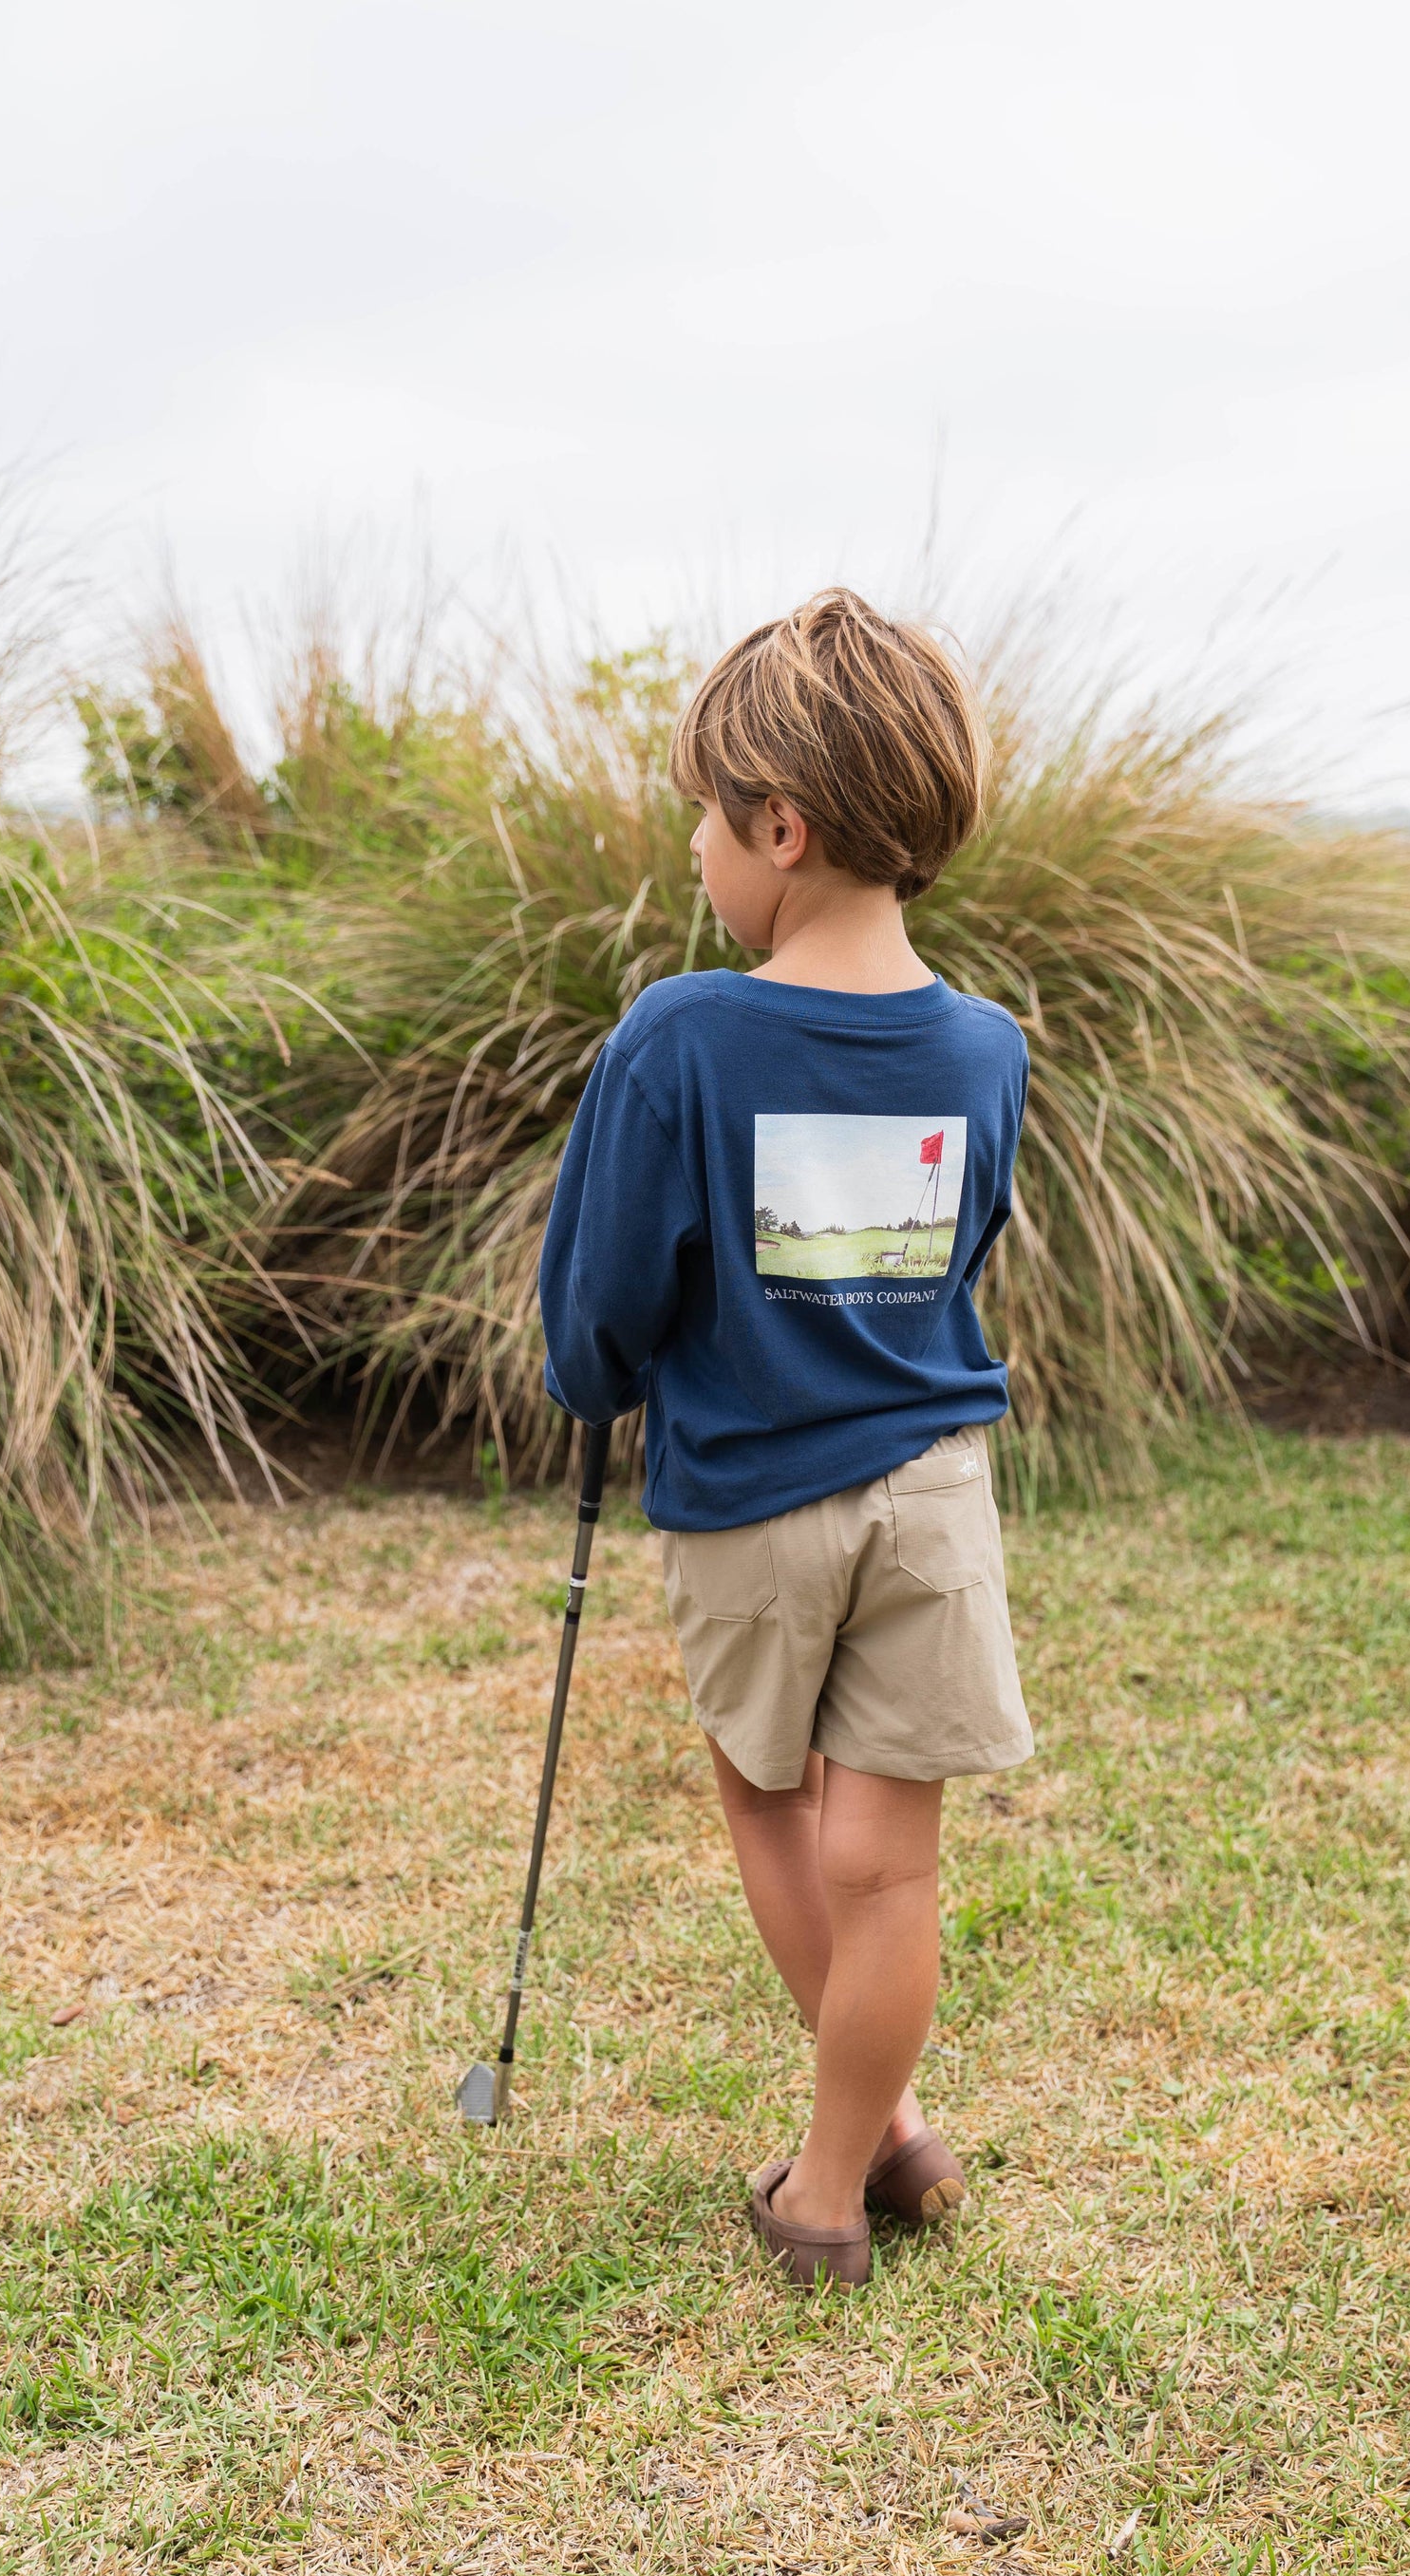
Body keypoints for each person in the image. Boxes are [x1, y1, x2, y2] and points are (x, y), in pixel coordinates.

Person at [538, 589, 1032, 2288]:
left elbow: (605, 1287)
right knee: (891, 1866)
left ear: (780, 824)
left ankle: (837, 2178)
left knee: (766, 1801)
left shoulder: (683, 1030)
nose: (693, 852)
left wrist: (588, 1374)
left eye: (702, 815)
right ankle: (866, 2150)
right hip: (933, 1494)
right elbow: (963, 1249)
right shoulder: (984, 1045)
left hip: (752, 1499)